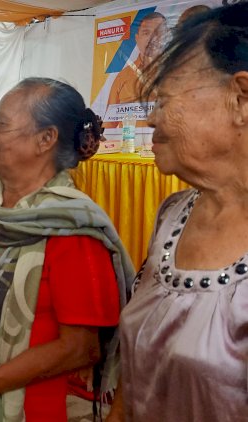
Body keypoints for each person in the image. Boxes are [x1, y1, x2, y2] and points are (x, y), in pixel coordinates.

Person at [0, 78, 133, 422]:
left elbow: (80, 348)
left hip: (33, 408)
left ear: (45, 139)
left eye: (3, 124)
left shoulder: (72, 231)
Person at [107, 3, 248, 421]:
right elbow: (135, 376)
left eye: (165, 99)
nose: (152, 118)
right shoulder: (174, 214)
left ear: (241, 98)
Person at [107, 12, 167, 107]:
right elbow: (110, 115)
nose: (152, 38)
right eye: (146, 33)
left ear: (166, 37)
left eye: (158, 33)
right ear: (137, 38)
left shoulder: (178, 73)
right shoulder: (122, 78)